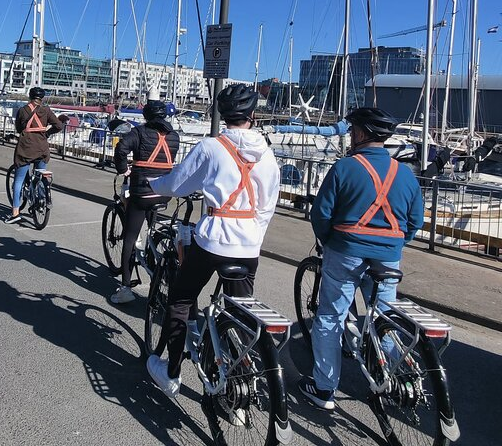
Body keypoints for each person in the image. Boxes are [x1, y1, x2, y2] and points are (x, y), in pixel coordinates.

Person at [145, 84, 280, 397]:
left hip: (213, 240)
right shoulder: (268, 156)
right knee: (241, 314)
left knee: (180, 300)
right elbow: (267, 206)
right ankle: (242, 383)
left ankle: (172, 372)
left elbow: (176, 185)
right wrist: (251, 238)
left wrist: (153, 183)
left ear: (223, 115)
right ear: (253, 116)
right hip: (248, 245)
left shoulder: (211, 147)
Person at [298, 107, 424, 410]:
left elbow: (321, 214)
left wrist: (328, 240)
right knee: (384, 316)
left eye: (353, 130)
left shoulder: (345, 167)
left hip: (345, 250)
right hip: (388, 256)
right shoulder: (404, 173)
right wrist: (395, 243)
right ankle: (399, 378)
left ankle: (324, 387)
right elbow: (415, 220)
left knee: (331, 316)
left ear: (363, 134)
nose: (350, 135)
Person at [109, 100, 180, 304]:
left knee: (130, 237)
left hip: (142, 191)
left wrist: (123, 170)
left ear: (146, 116)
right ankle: (154, 263)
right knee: (152, 231)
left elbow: (121, 150)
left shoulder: (139, 132)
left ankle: (125, 288)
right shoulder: (174, 136)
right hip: (164, 192)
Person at [5, 87, 63, 224]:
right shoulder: (46, 111)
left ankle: (15, 213)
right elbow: (59, 126)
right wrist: (47, 133)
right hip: (42, 148)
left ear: (30, 97)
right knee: (40, 174)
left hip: (26, 149)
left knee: (18, 180)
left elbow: (19, 129)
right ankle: (41, 202)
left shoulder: (23, 110)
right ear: (42, 98)